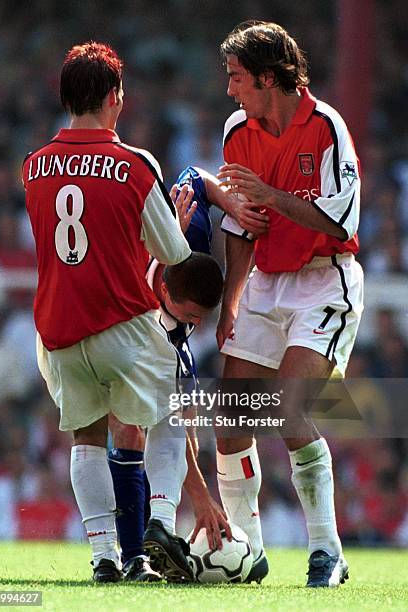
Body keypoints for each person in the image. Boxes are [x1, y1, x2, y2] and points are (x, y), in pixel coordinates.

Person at [23, 42, 196, 583]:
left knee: (84, 437)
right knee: (158, 417)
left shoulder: (33, 166)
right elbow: (174, 257)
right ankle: (145, 545)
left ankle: (103, 557)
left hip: (57, 327)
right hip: (122, 321)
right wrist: (176, 221)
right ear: (114, 98)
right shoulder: (134, 164)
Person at [215, 21, 363, 587]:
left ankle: (327, 551)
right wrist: (230, 299)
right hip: (264, 283)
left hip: (324, 280)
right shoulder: (237, 130)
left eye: (236, 78)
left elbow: (339, 219)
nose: (230, 90)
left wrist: (268, 197)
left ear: (268, 78)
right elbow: (238, 222)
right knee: (230, 420)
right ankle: (245, 553)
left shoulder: (327, 127)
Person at [108, 167, 236, 582]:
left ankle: (155, 526)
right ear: (164, 292)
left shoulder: (187, 233)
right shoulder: (142, 310)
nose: (195, 323)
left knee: (183, 412)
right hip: (117, 334)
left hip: (153, 321)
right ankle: (131, 538)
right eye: (189, 315)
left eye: (201, 317)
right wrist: (199, 496)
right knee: (131, 427)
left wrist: (234, 206)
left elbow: (198, 177)